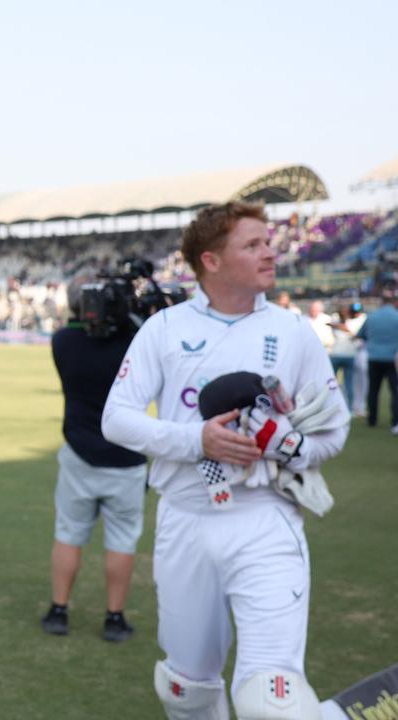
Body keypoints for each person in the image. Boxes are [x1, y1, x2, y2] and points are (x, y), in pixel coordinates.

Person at [102, 201, 349, 719]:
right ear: (211, 261)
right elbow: (117, 420)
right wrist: (198, 441)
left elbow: (334, 430)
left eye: (268, 242)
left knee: (270, 699)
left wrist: (288, 445)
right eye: (253, 245)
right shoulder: (165, 328)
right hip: (185, 519)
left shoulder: (293, 331)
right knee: (187, 690)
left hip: (265, 520)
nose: (269, 253)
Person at [41, 276, 146, 643]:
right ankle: (114, 617)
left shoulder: (64, 342)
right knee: (122, 541)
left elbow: (76, 328)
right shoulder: (134, 343)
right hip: (127, 457)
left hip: (79, 454)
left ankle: (58, 610)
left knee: (68, 533)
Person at [356, 287, 398, 433]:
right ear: (393, 302)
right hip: (393, 359)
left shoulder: (372, 316)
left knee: (373, 390)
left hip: (374, 358)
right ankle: (395, 422)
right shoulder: (396, 316)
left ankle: (372, 419)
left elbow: (361, 334)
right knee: (395, 391)